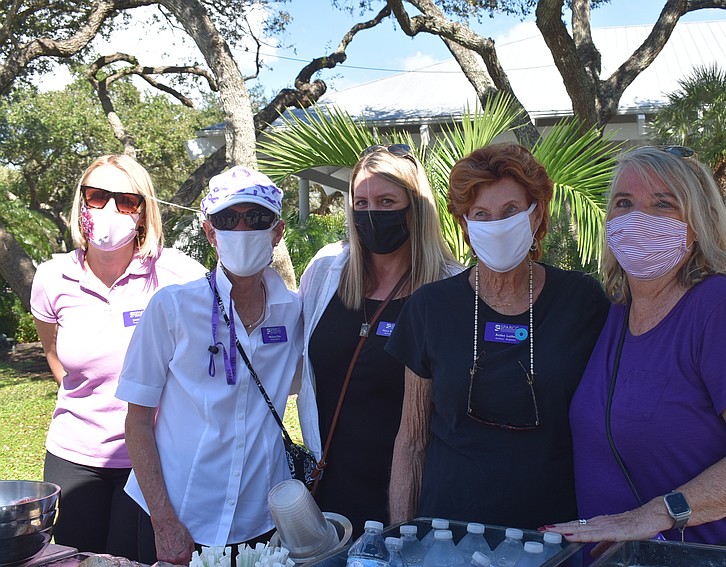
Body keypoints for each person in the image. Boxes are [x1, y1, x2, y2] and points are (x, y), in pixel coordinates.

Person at [545, 146, 726, 552]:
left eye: (663, 204)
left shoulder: (721, 309)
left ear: (697, 224)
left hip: (718, 553)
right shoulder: (614, 313)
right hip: (622, 557)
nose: (638, 218)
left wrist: (652, 515)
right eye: (623, 203)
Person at [385, 143, 610, 529]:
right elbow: (411, 441)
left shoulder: (583, 301)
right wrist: (400, 540)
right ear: (466, 226)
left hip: (555, 532)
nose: (497, 225)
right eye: (481, 215)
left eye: (510, 212)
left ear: (537, 215)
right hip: (447, 532)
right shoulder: (430, 308)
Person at [117, 166, 303, 565]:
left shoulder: (294, 312)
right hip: (178, 516)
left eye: (256, 218)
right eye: (226, 219)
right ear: (208, 231)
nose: (241, 229)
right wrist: (164, 521)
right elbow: (136, 421)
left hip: (259, 523)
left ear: (278, 231)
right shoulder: (172, 308)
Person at [29, 155, 206, 559]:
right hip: (75, 458)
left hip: (154, 462)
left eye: (126, 200)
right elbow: (55, 358)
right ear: (81, 204)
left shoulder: (178, 273)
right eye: (97, 196)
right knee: (80, 559)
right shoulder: (52, 277)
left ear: (143, 212)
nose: (110, 210)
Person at [297, 144, 461, 534]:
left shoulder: (451, 287)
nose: (371, 214)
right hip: (328, 490)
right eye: (361, 202)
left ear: (416, 208)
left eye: (387, 201)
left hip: (412, 493)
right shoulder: (325, 273)